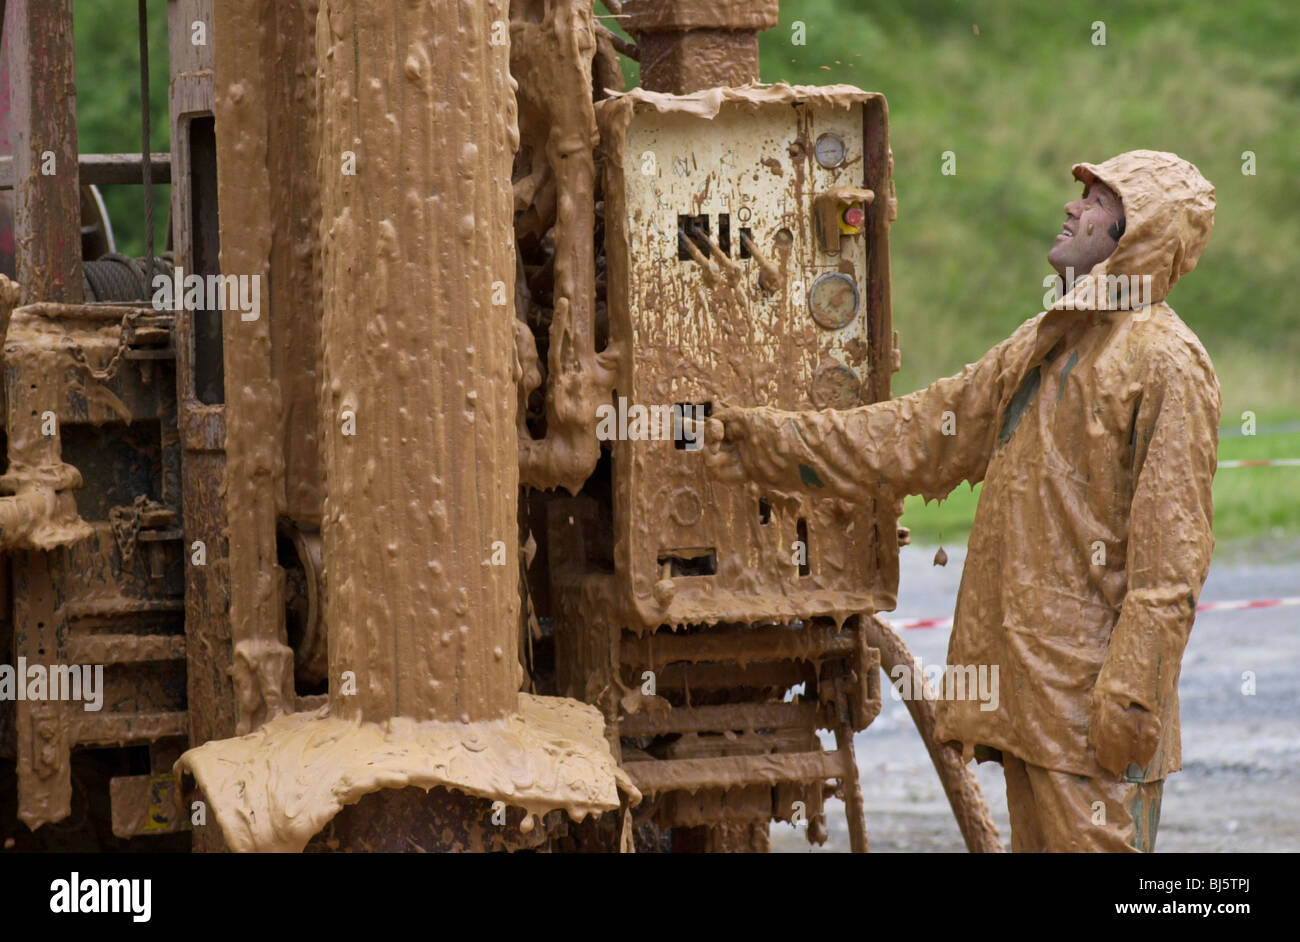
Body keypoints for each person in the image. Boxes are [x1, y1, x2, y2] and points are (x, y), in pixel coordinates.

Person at [705, 150, 1219, 852]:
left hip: (1092, 712)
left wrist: (1130, 697)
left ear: (1140, 231)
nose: (1072, 207)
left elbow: (1172, 562)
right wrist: (770, 442)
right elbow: (920, 433)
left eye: (1097, 199)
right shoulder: (1049, 342)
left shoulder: (1166, 361)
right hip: (1035, 699)